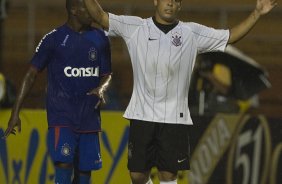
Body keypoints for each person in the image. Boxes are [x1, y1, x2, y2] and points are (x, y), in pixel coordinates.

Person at [83, 0, 277, 183]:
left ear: (180, 5)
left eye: (176, 0)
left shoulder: (191, 32)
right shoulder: (136, 27)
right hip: (142, 114)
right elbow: (99, 16)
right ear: (155, 1)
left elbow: (230, 36)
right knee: (137, 176)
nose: (170, 3)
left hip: (174, 117)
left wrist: (257, 12)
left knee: (168, 175)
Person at [2, 0, 112, 183]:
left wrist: (102, 88)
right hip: (62, 117)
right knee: (63, 164)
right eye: (88, 8)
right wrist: (15, 112)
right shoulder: (53, 39)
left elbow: (107, 74)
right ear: (74, 10)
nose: (94, 12)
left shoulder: (101, 38)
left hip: (89, 118)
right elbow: (31, 75)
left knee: (85, 174)